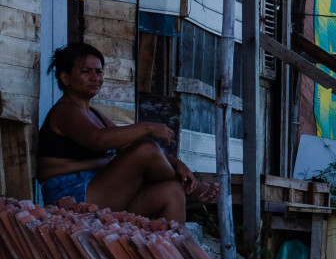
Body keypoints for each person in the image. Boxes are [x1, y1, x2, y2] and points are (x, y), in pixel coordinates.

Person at [36, 42, 209, 221]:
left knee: (171, 192)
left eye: (99, 71)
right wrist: (146, 127)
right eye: (86, 71)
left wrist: (176, 163)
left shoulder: (93, 113)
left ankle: (172, 246)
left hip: (100, 189)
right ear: (65, 78)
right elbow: (98, 140)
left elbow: (125, 145)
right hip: (72, 195)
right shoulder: (65, 110)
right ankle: (191, 189)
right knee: (146, 149)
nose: (95, 77)